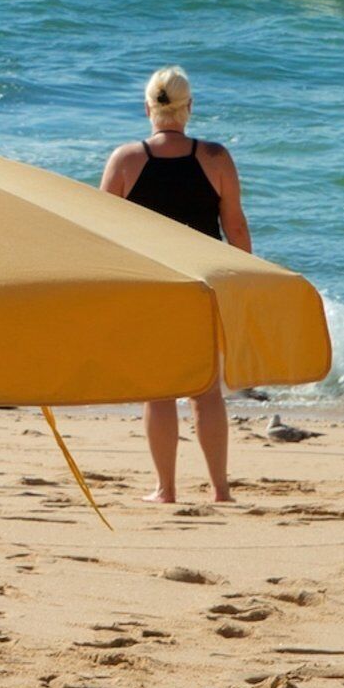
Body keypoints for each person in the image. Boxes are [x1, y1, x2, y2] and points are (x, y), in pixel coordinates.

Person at [101, 65, 251, 505]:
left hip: (151, 287)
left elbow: (100, 233)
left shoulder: (126, 160)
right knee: (206, 392)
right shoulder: (216, 158)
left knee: (159, 391)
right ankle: (220, 490)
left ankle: (165, 489)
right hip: (203, 285)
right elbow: (237, 232)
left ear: (147, 107)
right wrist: (241, 286)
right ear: (190, 108)